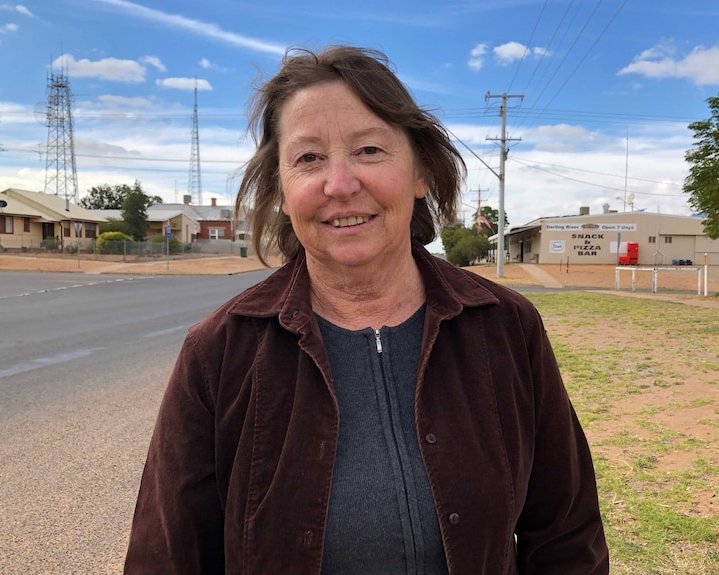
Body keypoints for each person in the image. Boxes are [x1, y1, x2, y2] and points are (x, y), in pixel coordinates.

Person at [124, 45, 608, 574]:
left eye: (370, 150)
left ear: (420, 173)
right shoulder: (219, 353)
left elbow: (565, 534)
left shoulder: (508, 328)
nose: (340, 184)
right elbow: (166, 559)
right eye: (308, 158)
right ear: (283, 191)